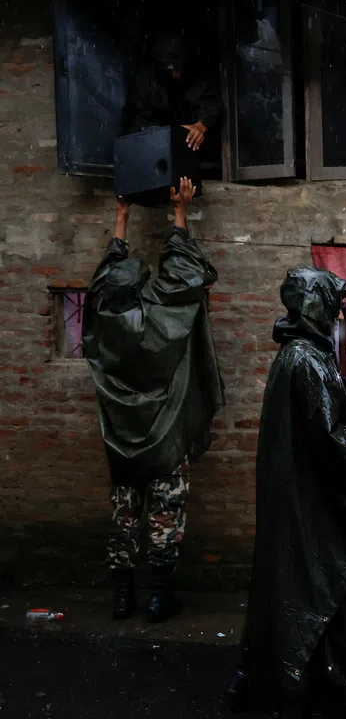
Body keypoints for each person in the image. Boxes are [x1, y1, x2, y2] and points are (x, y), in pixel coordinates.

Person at [229, 268, 346, 719]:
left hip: (301, 500)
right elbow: (333, 445)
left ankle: (311, 685)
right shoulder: (307, 361)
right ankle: (321, 691)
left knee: (310, 596)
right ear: (317, 308)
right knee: (322, 594)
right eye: (334, 307)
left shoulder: (300, 356)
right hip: (312, 509)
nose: (338, 315)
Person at [83, 177, 224, 622]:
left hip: (121, 442)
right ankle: (160, 598)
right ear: (145, 283)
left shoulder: (104, 318)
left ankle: (122, 599)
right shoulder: (166, 311)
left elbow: (104, 277)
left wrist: (122, 216)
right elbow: (184, 273)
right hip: (165, 441)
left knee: (124, 516)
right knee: (166, 516)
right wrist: (179, 212)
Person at [121, 32, 221, 151]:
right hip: (152, 148)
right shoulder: (145, 81)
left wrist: (201, 125)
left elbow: (211, 104)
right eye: (171, 69)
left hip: (191, 151)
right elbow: (138, 121)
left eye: (180, 68)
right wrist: (163, 134)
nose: (177, 75)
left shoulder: (195, 76)